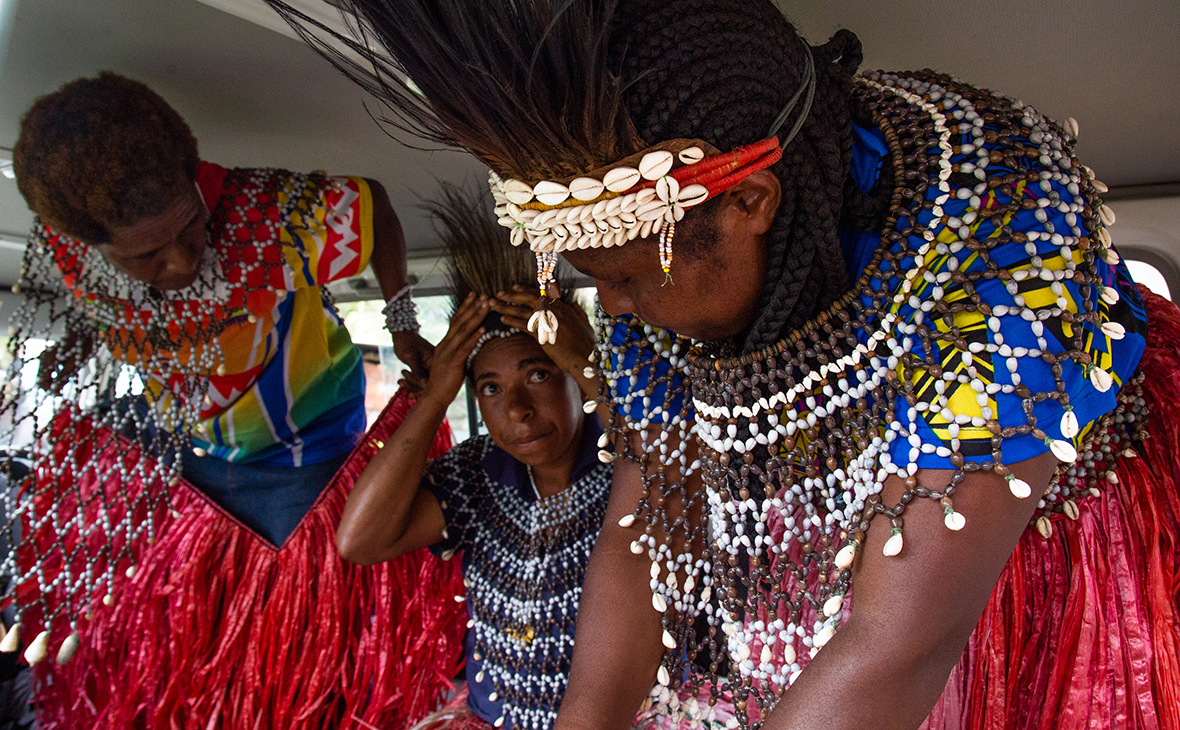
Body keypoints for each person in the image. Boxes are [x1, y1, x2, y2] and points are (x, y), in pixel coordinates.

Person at [267, 1, 1180, 729]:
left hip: (1024, 599)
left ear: (750, 201)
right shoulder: (652, 280)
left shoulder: (1004, 250)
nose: (612, 312)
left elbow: (894, 645)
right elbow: (641, 522)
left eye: (621, 280)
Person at [0, 72, 464, 728]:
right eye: (147, 257)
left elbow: (376, 206)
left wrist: (400, 317)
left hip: (309, 455)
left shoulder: (270, 214)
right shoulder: (67, 257)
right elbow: (98, 308)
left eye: (189, 228)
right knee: (194, 634)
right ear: (92, 249)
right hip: (193, 457)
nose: (183, 261)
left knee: (310, 637)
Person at [338, 184, 608, 730]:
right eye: (489, 388)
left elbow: (666, 466)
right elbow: (358, 542)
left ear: (575, 373)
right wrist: (437, 394)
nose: (518, 410)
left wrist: (589, 364)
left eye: (539, 375)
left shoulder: (628, 451)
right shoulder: (476, 473)